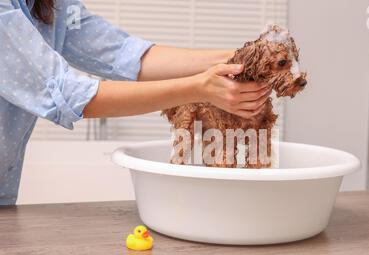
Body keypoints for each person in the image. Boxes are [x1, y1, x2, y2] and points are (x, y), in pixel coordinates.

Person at [0, 0, 272, 206]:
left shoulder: (49, 4)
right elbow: (65, 92)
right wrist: (199, 88)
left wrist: (243, 58)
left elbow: (123, 53)